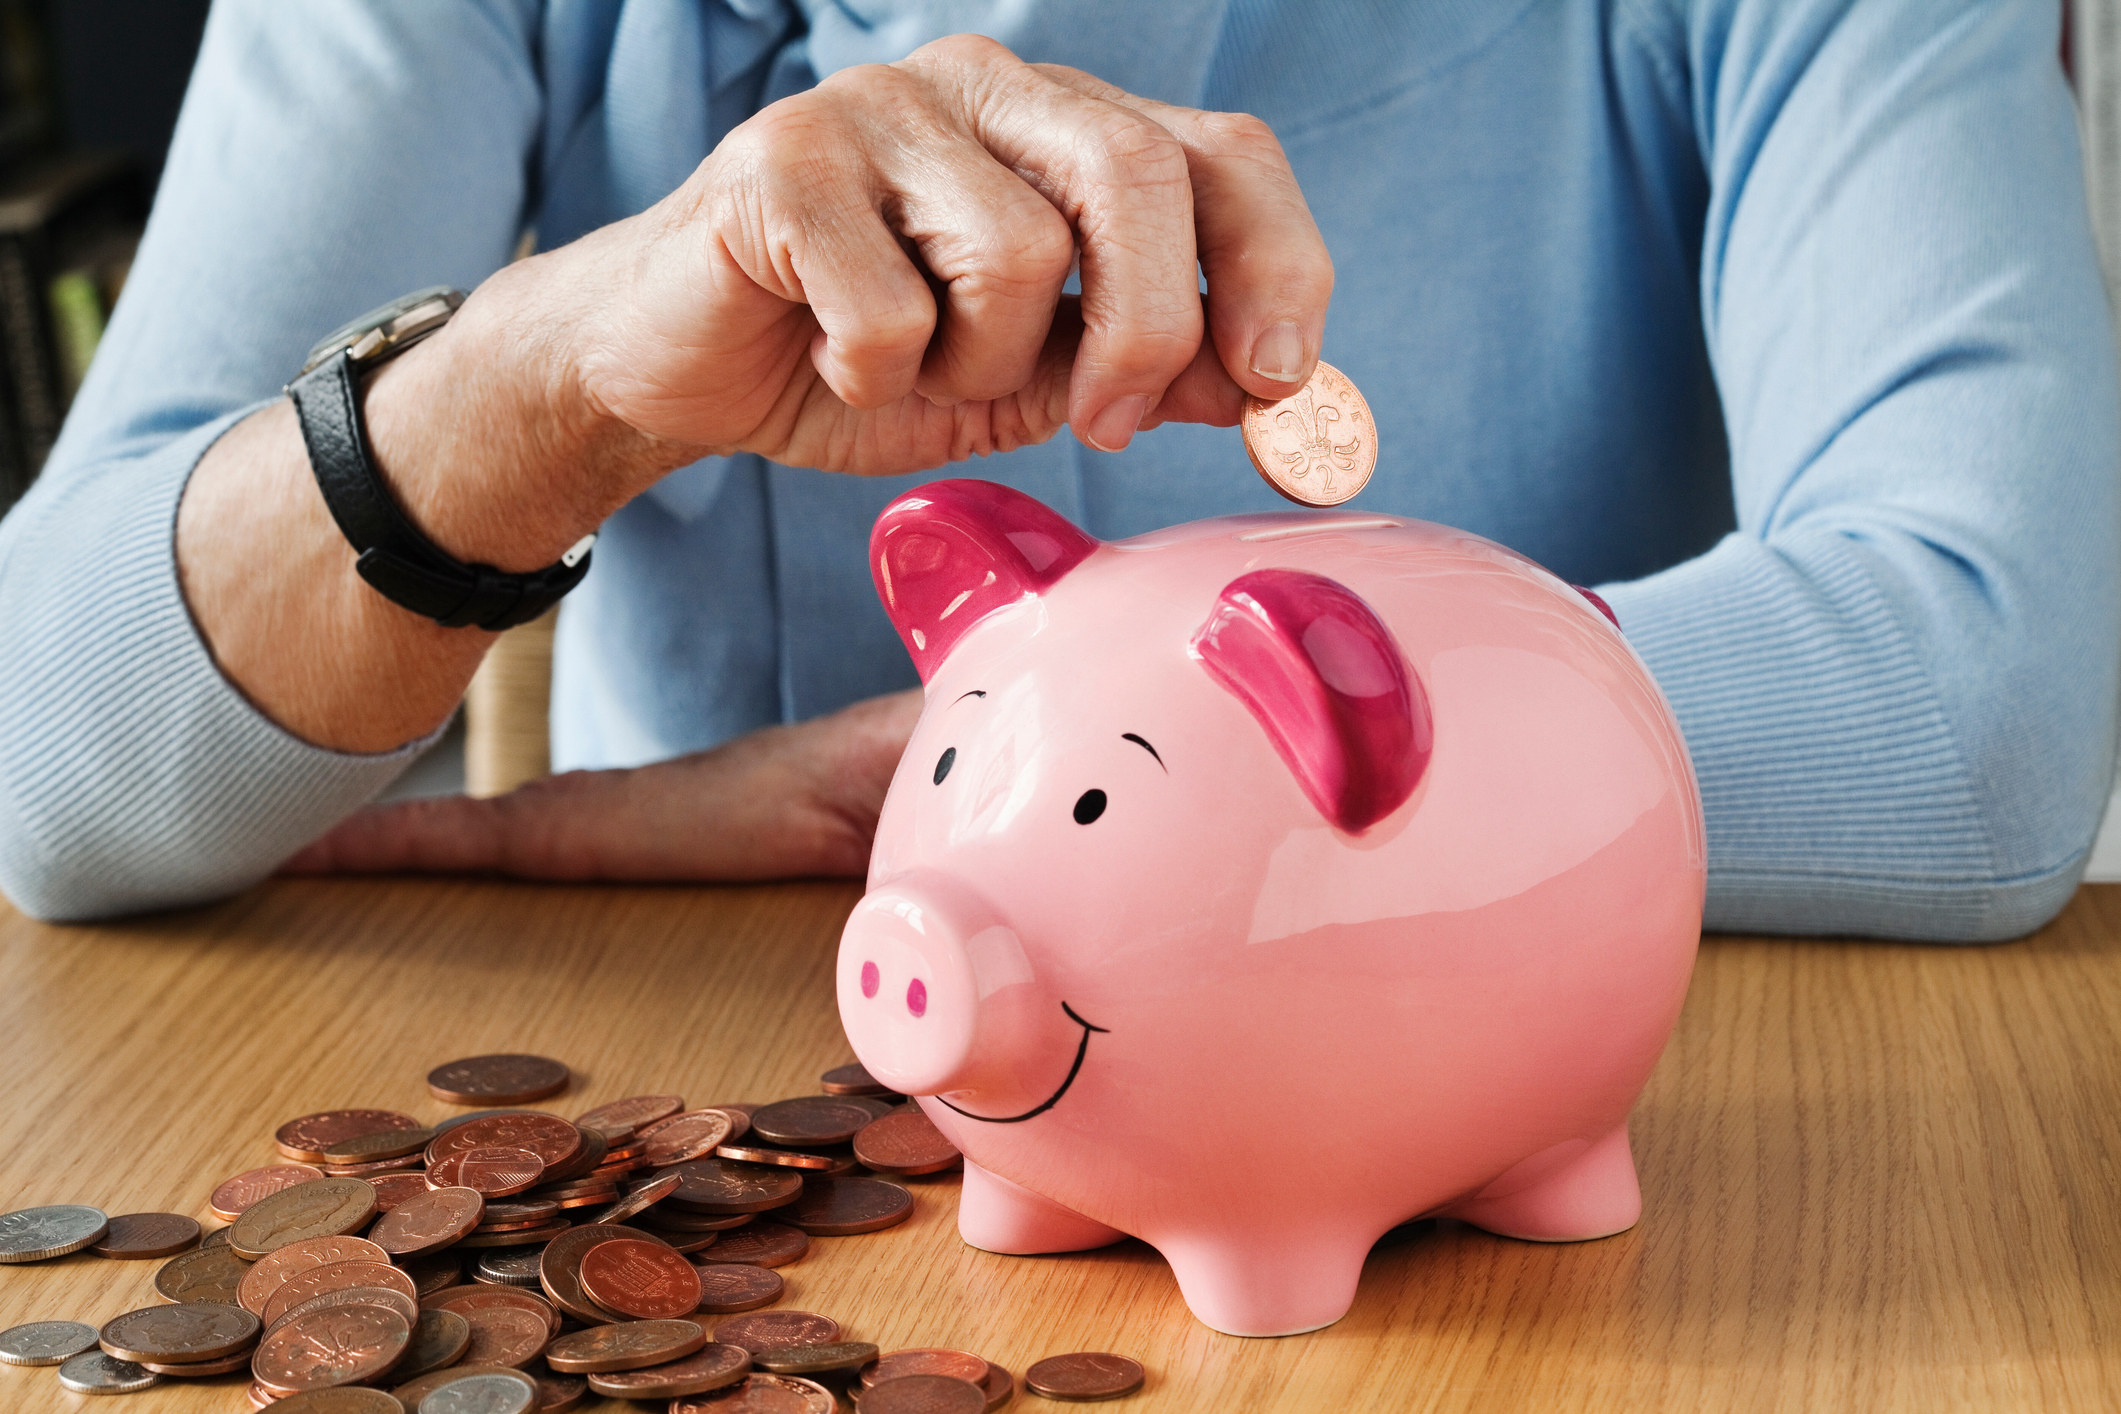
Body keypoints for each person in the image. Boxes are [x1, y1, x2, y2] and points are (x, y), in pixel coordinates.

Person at [0, 0, 2112, 941]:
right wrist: (550, 374)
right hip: (763, 1142)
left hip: (1528, 1144)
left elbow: (1974, 702)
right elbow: (46, 756)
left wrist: (1004, 781)